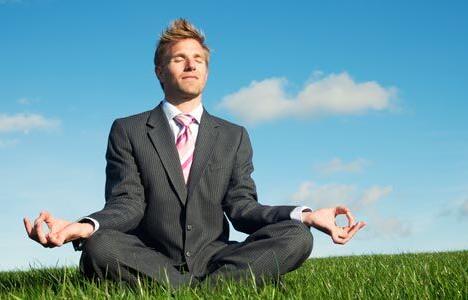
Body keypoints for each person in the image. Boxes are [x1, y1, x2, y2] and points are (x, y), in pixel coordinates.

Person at [23, 18, 365, 289]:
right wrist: (82, 227)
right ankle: (217, 289)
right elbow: (127, 204)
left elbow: (243, 209)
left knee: (296, 237)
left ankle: (186, 288)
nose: (191, 65)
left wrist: (306, 216)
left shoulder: (233, 135)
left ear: (207, 70)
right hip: (150, 256)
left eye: (198, 59)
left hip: (216, 257)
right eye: (179, 59)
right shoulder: (128, 130)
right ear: (160, 71)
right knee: (99, 248)